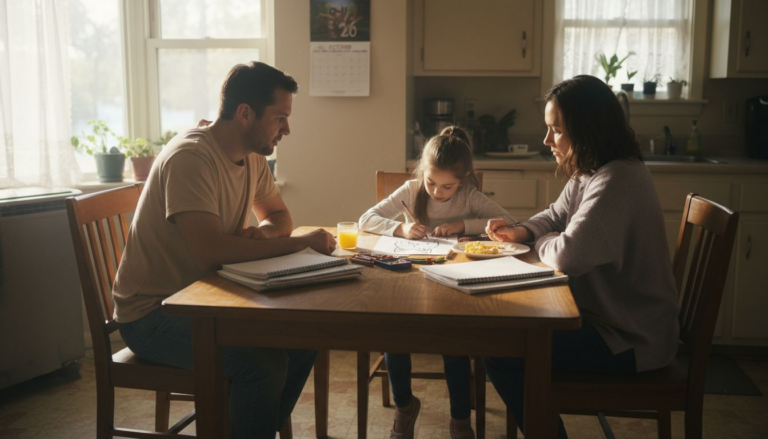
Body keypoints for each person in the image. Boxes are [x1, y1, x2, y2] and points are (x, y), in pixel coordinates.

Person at [113, 61, 337, 438]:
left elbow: (278, 213)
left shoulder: (253, 153)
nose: (287, 129)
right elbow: (211, 252)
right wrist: (299, 242)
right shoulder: (191, 158)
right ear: (245, 113)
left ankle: (244, 430)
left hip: (206, 301)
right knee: (263, 366)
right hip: (151, 313)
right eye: (280, 117)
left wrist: (266, 235)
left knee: (304, 341)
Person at [483, 75, 679, 438]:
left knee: (502, 347)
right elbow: (556, 216)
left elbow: (568, 256)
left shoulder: (617, 180)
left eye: (555, 129)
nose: (546, 140)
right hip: (610, 323)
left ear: (585, 129)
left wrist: (544, 243)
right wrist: (523, 231)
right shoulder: (592, 171)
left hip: (631, 339)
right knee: (507, 336)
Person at [359, 126, 515, 439]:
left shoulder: (470, 195)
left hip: (451, 283)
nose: (436, 192)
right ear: (422, 172)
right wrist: (400, 230)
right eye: (431, 182)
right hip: (407, 282)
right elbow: (366, 220)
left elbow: (508, 222)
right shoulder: (410, 189)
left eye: (447, 186)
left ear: (464, 179)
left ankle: (460, 419)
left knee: (453, 341)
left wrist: (463, 223)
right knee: (394, 335)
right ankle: (405, 407)